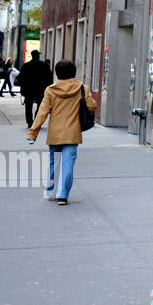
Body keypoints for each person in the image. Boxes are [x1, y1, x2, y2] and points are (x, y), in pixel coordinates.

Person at [26, 59, 97, 205]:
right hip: (72, 133)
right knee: (68, 164)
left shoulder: (51, 90)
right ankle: (62, 195)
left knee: (54, 162)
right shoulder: (82, 88)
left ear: (57, 73)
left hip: (55, 133)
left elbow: (42, 113)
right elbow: (91, 106)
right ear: (74, 72)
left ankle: (51, 191)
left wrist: (33, 133)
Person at [18, 50, 53, 130]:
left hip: (29, 89)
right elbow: (49, 77)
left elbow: (21, 78)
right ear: (38, 56)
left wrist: (22, 89)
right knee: (40, 105)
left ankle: (30, 122)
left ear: (32, 56)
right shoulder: (44, 65)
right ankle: (37, 120)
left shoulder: (26, 65)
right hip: (40, 89)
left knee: (28, 106)